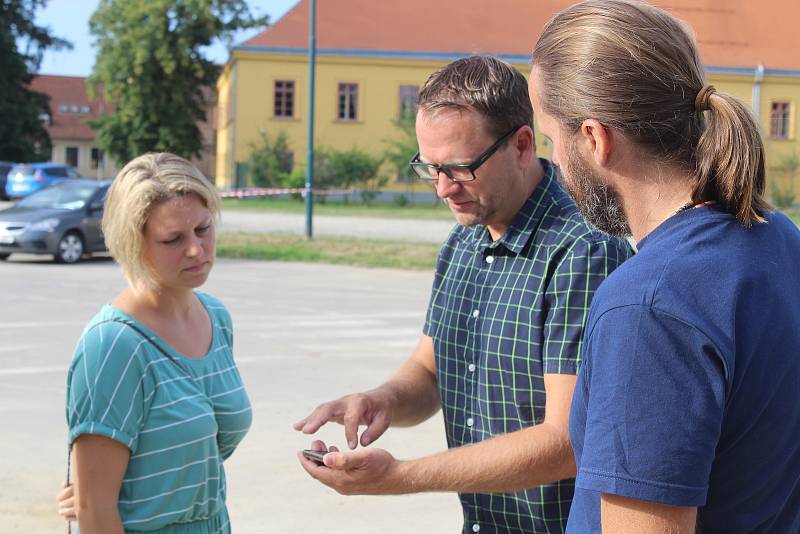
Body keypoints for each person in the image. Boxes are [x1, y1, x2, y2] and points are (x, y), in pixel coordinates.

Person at [295, 56, 631, 533]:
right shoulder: (464, 241)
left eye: (460, 168)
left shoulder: (582, 252)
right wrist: (381, 399)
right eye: (429, 168)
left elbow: (566, 442)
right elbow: (429, 373)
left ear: (521, 144)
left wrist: (401, 477)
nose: (443, 189)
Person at [528, 1, 800, 532]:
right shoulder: (779, 235)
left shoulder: (648, 305)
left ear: (594, 139)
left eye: (550, 140)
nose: (554, 161)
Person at [57, 152, 252, 533]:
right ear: (133, 243)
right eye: (172, 239)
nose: (195, 249)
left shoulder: (216, 318)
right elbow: (94, 512)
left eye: (203, 229)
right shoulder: (113, 346)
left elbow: (197, 455)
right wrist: (86, 493)